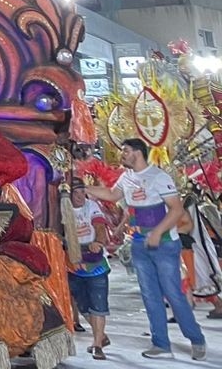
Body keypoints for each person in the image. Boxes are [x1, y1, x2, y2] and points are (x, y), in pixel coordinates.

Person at [82, 138, 207, 360]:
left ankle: (196, 338)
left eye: (126, 151)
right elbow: (112, 195)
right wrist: (82, 188)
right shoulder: (126, 177)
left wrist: (158, 232)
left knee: (173, 293)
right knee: (150, 295)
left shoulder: (159, 177)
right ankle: (160, 343)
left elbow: (177, 210)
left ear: (138, 153)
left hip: (166, 242)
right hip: (140, 242)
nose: (121, 155)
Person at [69, 179, 114, 359]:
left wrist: (98, 241)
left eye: (82, 192)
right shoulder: (61, 208)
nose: (80, 196)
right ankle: (101, 335)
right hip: (74, 264)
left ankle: (97, 344)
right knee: (81, 304)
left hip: (95, 264)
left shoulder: (92, 205)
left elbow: (99, 226)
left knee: (98, 304)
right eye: (76, 193)